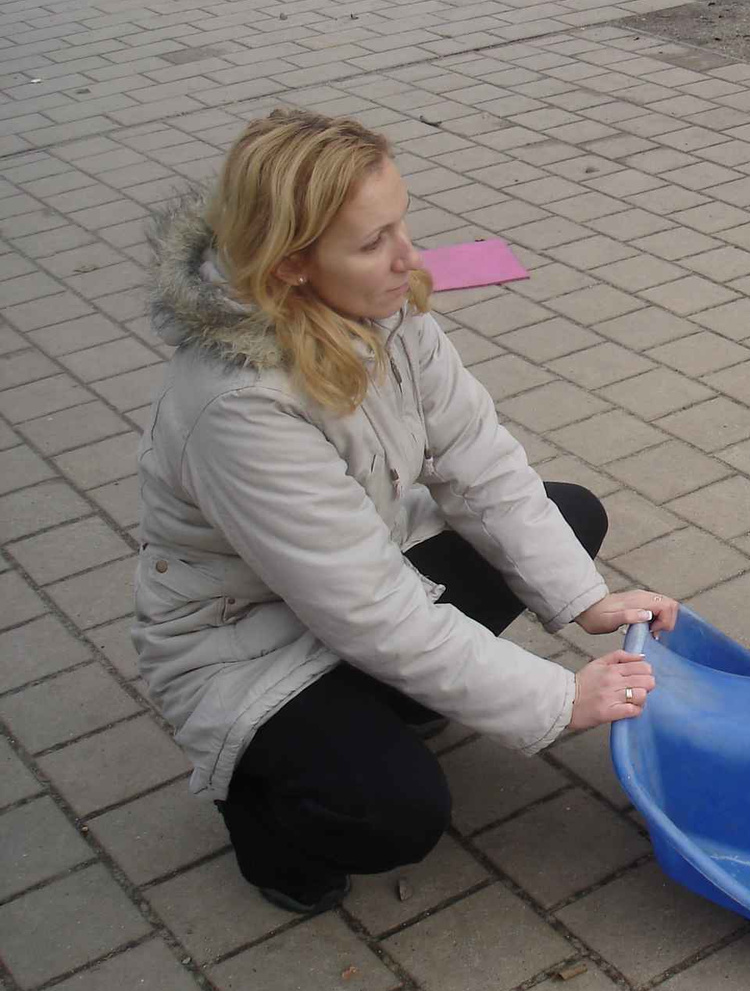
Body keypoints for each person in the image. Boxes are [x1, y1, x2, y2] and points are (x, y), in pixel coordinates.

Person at [133, 109, 680, 914]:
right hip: (246, 645)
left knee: (566, 516)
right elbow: (371, 612)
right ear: (289, 266)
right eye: (371, 242)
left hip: (355, 578)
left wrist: (584, 599)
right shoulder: (239, 410)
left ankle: (394, 703)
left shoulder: (382, 307)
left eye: (402, 224)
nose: (409, 258)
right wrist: (558, 702)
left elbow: (480, 463)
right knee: (395, 813)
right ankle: (263, 820)